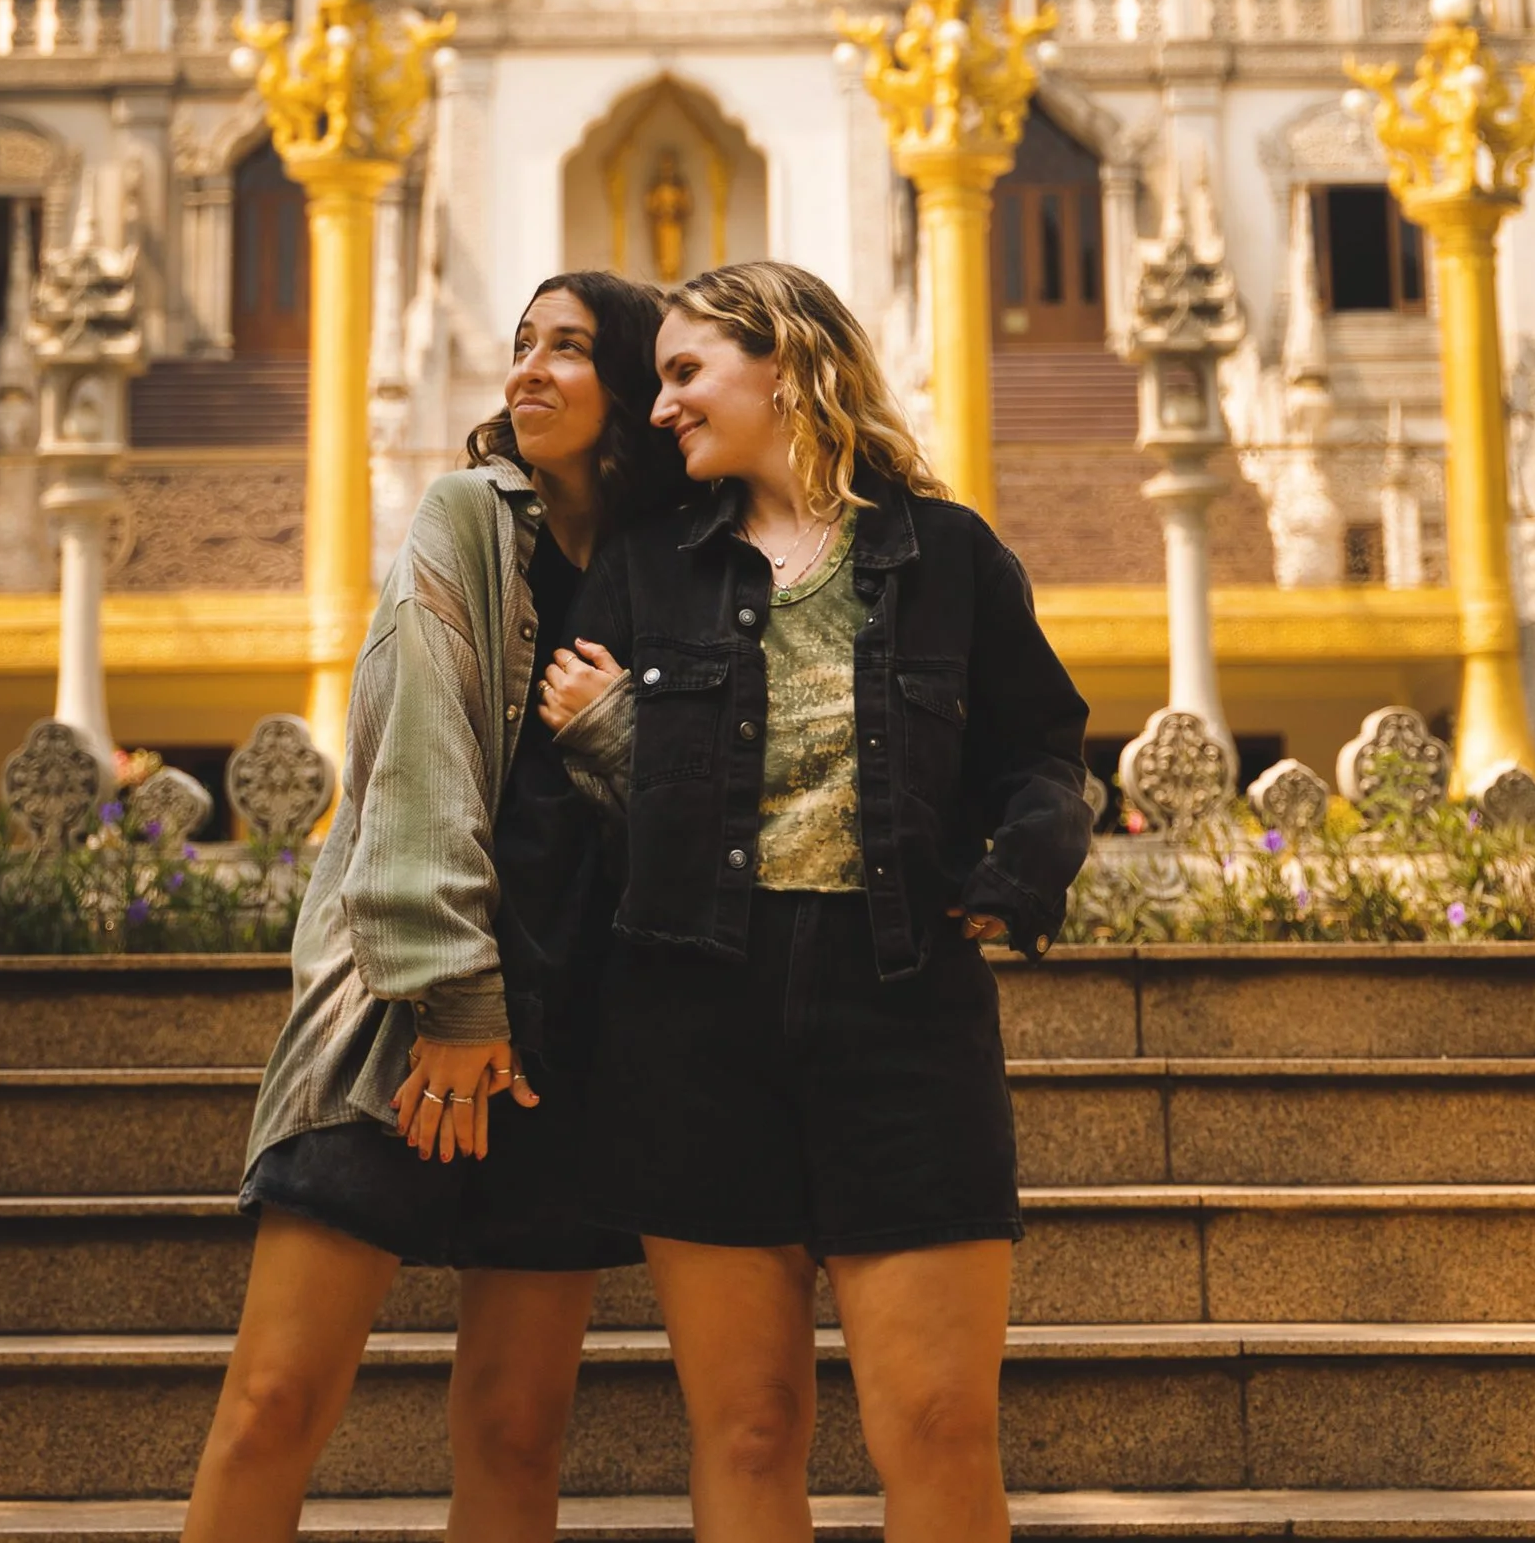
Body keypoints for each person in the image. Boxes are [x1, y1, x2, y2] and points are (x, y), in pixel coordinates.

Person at [540, 257, 1091, 1543]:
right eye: (656, 380)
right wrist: (619, 741)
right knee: (746, 1427)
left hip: (900, 1013)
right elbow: (565, 812)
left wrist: (1019, 870)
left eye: (687, 371)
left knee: (938, 1424)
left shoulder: (948, 555)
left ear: (783, 361)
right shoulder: (645, 570)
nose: (661, 405)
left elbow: (1043, 751)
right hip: (692, 1018)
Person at [181, 268, 684, 1543]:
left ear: (630, 383)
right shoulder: (467, 516)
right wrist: (456, 1004)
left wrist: (618, 732)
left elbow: (703, 803)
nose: (528, 368)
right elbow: (416, 764)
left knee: (517, 1431)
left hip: (573, 1033)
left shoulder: (677, 568)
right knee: (274, 1401)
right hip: (404, 1024)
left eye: (568, 347)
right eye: (522, 342)